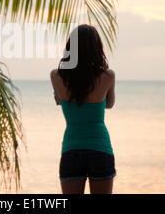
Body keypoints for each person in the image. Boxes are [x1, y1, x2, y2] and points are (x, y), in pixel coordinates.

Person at [50, 24, 116, 194]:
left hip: (72, 148)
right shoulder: (108, 76)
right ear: (97, 48)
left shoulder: (56, 76)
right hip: (100, 148)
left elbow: (59, 101)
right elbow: (109, 104)